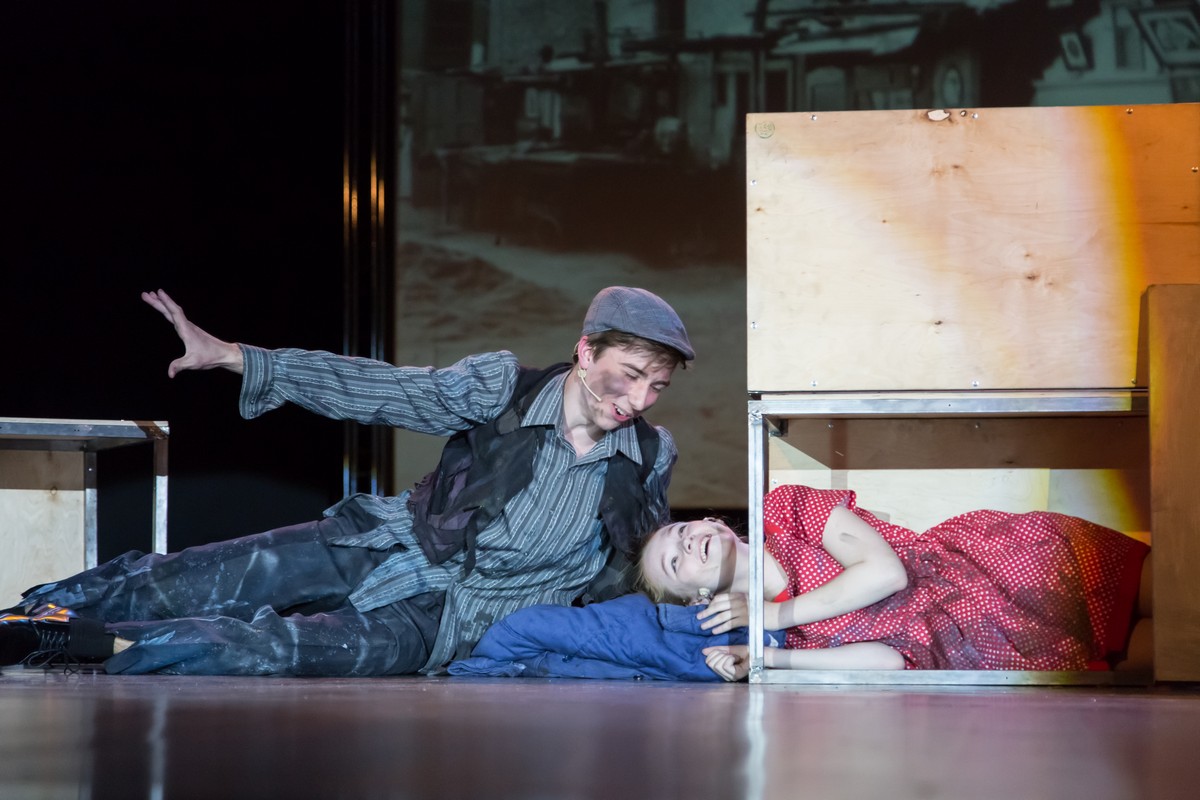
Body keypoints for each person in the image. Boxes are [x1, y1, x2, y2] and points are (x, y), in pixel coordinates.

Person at [0, 286, 694, 676]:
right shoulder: (503, 389)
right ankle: (30, 615)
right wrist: (240, 358)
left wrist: (730, 611)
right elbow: (381, 389)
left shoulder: (646, 456)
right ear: (586, 351)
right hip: (388, 543)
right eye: (630, 375)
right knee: (199, 577)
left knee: (268, 649)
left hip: (446, 623)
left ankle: (78, 644)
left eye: (656, 386)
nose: (638, 399)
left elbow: (648, 573)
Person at [638, 484, 1151, 681]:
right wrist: (765, 657)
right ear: (697, 597)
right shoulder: (784, 635)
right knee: (1167, 660)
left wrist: (772, 614)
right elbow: (888, 662)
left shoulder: (784, 510)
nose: (686, 542)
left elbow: (886, 573)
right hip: (970, 646)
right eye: (674, 562)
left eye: (681, 530)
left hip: (998, 571)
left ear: (712, 522)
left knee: (1172, 592)